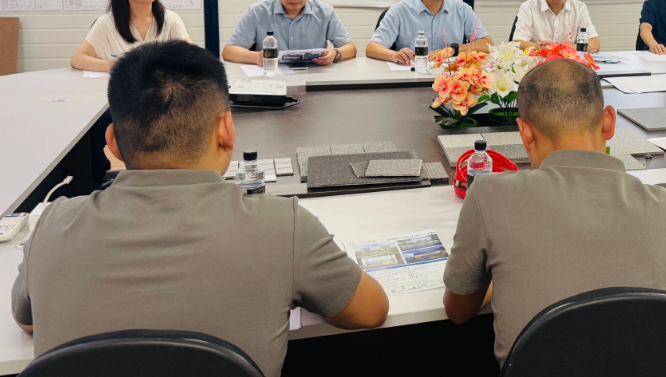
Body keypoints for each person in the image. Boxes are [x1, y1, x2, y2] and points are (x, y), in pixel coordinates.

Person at [12, 41, 388, 377]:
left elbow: (28, 321)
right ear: (226, 130)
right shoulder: (282, 226)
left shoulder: (51, 227)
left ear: (112, 142)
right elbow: (370, 311)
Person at [442, 58, 666, 365]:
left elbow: (458, 311)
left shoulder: (489, 196)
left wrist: (504, 276)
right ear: (609, 122)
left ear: (525, 133)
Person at [223, 0, 356, 67]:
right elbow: (229, 52)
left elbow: (350, 48)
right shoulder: (256, 12)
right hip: (271, 76)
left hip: (313, 78)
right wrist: (256, 57)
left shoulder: (325, 12)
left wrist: (335, 54)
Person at [69, 0, 192, 72]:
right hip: (120, 86)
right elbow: (77, 59)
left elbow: (193, 56)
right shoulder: (106, 23)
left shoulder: (170, 19)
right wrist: (108, 65)